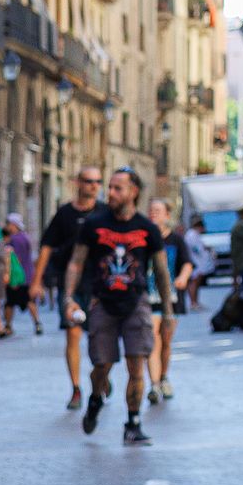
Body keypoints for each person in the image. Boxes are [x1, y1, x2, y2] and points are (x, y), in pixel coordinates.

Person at [63, 167, 172, 445]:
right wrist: (68, 297)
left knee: (137, 366)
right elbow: (76, 262)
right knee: (102, 365)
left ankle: (133, 424)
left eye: (116, 188)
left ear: (133, 192)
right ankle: (96, 398)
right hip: (102, 304)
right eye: (109, 187)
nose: (109, 193)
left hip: (136, 304)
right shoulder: (94, 225)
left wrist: (168, 313)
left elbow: (161, 272)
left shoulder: (147, 229)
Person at [39, 167, 106, 409]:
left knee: (99, 339)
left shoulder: (105, 212)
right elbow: (46, 247)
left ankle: (101, 376)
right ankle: (76, 388)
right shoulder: (64, 214)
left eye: (98, 181)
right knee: (73, 333)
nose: (94, 186)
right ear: (78, 182)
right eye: (89, 181)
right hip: (71, 284)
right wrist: (36, 282)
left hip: (99, 283)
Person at [148, 197, 188, 398]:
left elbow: (187, 263)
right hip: (149, 298)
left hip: (172, 298)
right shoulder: (143, 237)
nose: (153, 213)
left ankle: (163, 376)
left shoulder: (176, 239)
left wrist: (182, 277)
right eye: (151, 210)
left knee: (166, 342)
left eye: (157, 210)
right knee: (152, 340)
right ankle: (154, 384)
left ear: (167, 215)